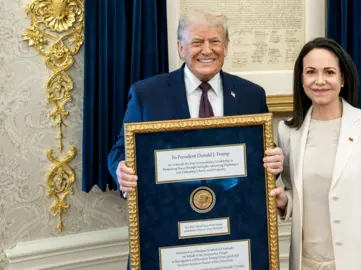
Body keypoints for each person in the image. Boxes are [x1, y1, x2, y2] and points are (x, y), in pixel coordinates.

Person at [107, 11, 284, 269]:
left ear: (225, 47)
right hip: (167, 228)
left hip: (232, 230)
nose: (207, 50)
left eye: (215, 41)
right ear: (181, 48)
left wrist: (275, 160)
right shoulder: (147, 94)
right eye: (197, 42)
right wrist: (120, 169)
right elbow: (120, 151)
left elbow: (260, 154)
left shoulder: (250, 94)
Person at [269, 37, 361, 270]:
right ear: (301, 79)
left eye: (329, 72)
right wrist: (285, 202)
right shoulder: (288, 131)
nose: (319, 81)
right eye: (311, 72)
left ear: (342, 78)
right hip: (307, 262)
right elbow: (299, 193)